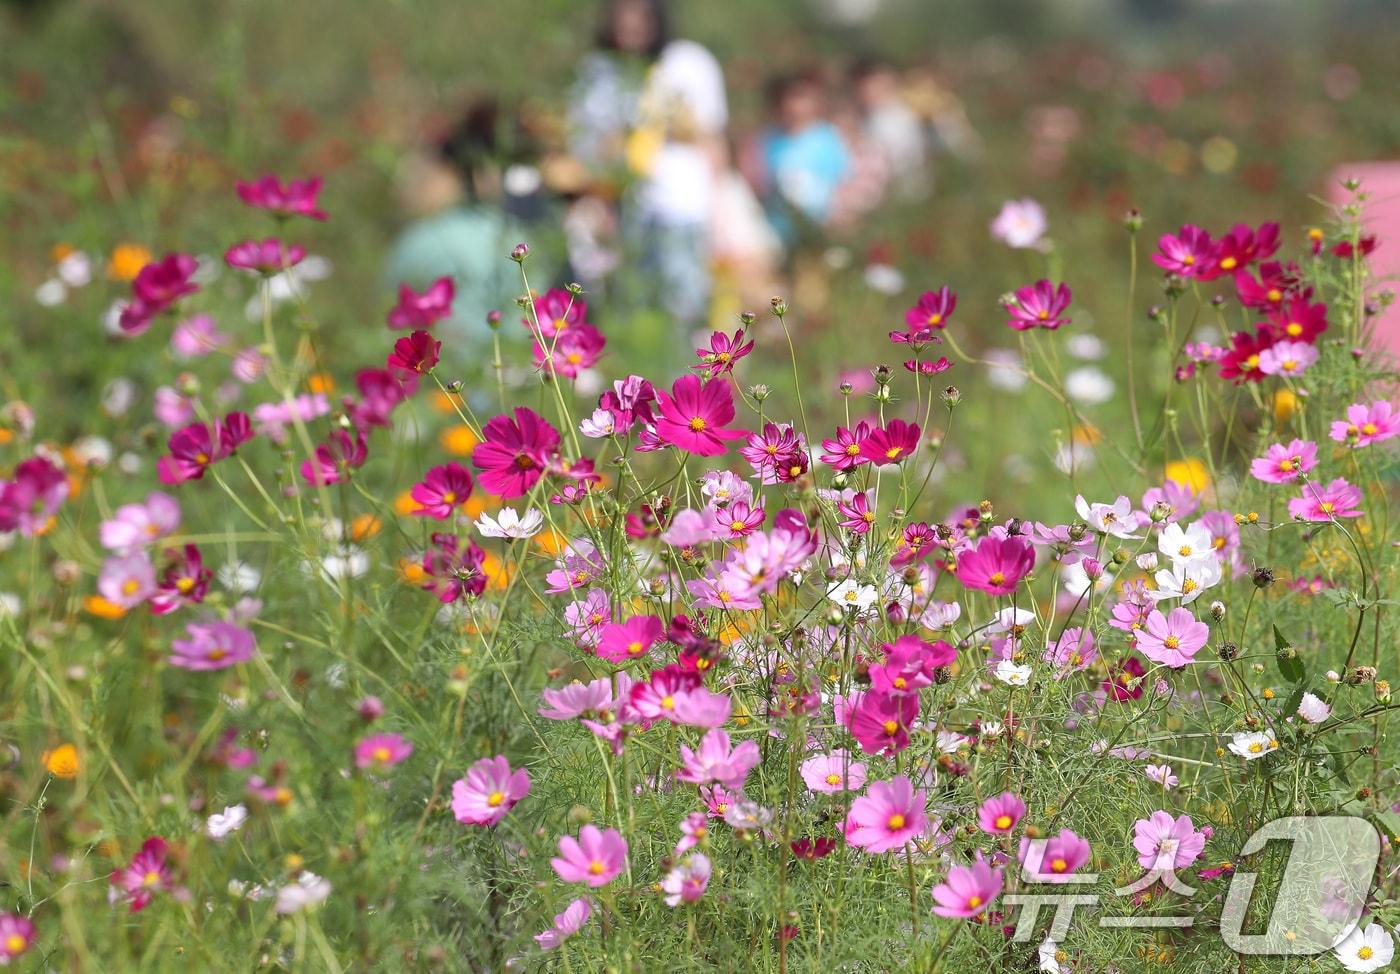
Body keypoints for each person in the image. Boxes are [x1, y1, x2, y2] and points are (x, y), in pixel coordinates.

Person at [568, 0, 728, 336]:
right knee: (631, 308)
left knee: (683, 307)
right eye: (622, 15)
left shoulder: (687, 62)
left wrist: (719, 211)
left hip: (681, 206)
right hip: (621, 207)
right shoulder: (599, 70)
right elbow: (584, 142)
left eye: (640, 15)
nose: (631, 25)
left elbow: (712, 142)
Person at [384, 101, 557, 362]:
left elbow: (386, 318)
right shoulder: (525, 243)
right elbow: (533, 335)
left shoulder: (419, 240)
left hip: (436, 385)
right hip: (511, 381)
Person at [754, 71, 852, 247]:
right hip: (778, 230)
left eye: (799, 98)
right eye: (787, 98)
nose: (794, 105)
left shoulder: (827, 138)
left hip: (820, 226)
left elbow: (843, 182)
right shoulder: (768, 140)